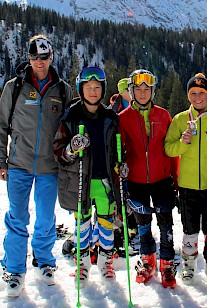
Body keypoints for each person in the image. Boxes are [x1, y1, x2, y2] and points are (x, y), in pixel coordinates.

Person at [0, 34, 73, 297]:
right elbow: (1, 126)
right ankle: (14, 268)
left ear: (51, 57)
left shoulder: (63, 90)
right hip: (19, 163)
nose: (39, 62)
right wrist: (1, 160)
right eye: (34, 57)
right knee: (17, 218)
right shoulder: (14, 87)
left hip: (49, 167)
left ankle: (44, 261)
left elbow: (70, 129)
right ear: (28, 58)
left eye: (44, 57)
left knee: (45, 219)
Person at [53, 66, 121, 286]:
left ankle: (105, 262)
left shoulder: (110, 116)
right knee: (81, 224)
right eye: (88, 87)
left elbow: (118, 148)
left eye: (97, 87)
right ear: (80, 90)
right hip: (80, 180)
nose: (93, 91)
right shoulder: (71, 116)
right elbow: (58, 150)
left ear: (103, 90)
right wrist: (71, 149)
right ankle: (82, 264)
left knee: (106, 223)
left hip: (104, 180)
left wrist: (122, 165)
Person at [165, 73, 207, 284]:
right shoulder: (180, 119)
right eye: (193, 93)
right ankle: (188, 266)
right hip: (187, 186)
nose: (197, 97)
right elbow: (168, 149)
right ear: (188, 96)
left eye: (201, 93)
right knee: (189, 229)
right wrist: (182, 144)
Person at [119, 69, 179, 288]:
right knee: (143, 223)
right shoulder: (123, 118)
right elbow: (120, 150)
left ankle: (167, 263)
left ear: (153, 91)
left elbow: (172, 150)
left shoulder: (163, 115)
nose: (142, 93)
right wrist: (121, 169)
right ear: (131, 91)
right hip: (136, 180)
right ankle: (147, 260)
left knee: (166, 224)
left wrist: (177, 180)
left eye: (147, 89)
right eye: (138, 89)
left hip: (162, 178)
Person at [109, 77, 140, 256]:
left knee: (132, 194)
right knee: (121, 195)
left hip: (132, 159)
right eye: (128, 90)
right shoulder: (116, 109)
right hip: (120, 159)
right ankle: (120, 229)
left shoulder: (135, 107)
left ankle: (132, 225)